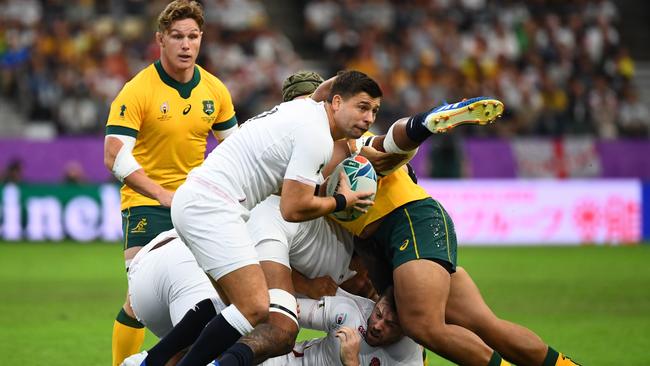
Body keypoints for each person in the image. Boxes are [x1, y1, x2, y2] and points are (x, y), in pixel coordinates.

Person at [308, 73, 579, 366]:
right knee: (486, 326)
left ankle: (428, 118)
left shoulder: (346, 144)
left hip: (408, 222)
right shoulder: (317, 155)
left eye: (372, 110)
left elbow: (390, 141)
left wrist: (423, 124)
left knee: (422, 326)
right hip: (399, 236)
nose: (369, 116)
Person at [136, 70, 381, 366]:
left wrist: (345, 78)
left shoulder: (303, 108)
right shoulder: (317, 136)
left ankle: (150, 361)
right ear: (338, 102)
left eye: (375, 111)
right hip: (215, 206)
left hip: (197, 199)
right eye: (363, 107)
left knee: (227, 305)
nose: (369, 119)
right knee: (255, 308)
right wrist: (343, 200)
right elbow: (292, 208)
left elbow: (324, 91)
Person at [103, 1, 238, 365]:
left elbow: (237, 149)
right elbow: (114, 153)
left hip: (196, 206)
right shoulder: (138, 90)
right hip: (148, 206)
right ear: (160, 39)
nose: (185, 45)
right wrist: (163, 195)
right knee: (137, 301)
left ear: (201, 39)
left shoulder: (214, 90)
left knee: (205, 296)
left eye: (192, 36)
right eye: (177, 36)